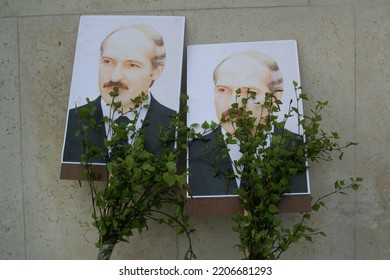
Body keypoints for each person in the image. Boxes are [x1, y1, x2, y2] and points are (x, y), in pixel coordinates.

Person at [188, 50, 308, 197]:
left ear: (274, 99)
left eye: (250, 92)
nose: (234, 104)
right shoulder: (191, 153)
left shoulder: (298, 149)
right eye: (223, 90)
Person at [63, 24, 175, 164]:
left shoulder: (175, 125)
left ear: (156, 71)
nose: (115, 77)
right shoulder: (72, 122)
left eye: (132, 65)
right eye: (108, 61)